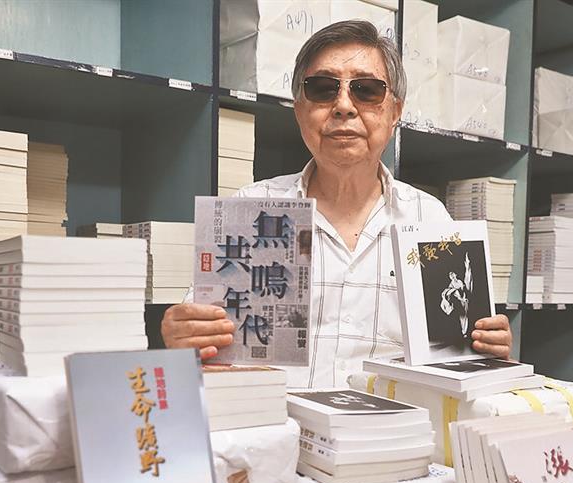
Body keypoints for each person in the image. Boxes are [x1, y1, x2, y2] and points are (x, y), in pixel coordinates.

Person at [161, 20, 512, 388]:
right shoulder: (250, 209)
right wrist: (184, 335)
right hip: (277, 422)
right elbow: (203, 342)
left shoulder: (430, 219)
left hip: (391, 424)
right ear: (299, 109)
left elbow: (455, 356)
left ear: (395, 112)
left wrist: (486, 347)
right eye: (323, 89)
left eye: (367, 90)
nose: (344, 106)